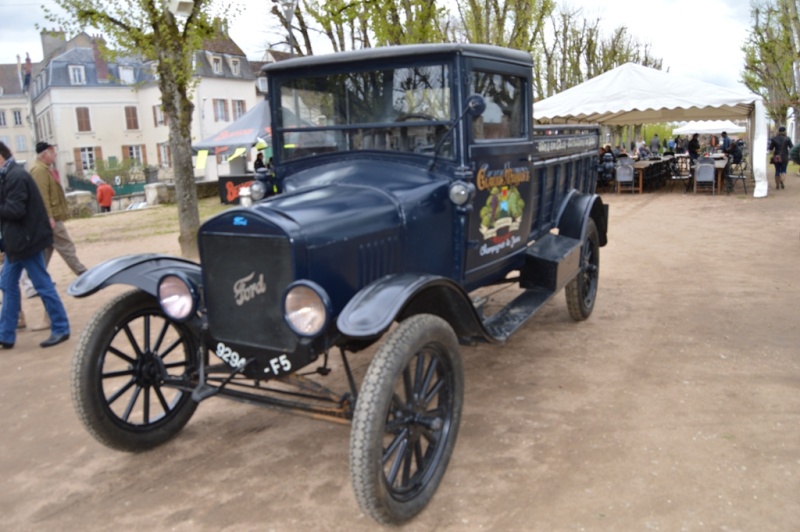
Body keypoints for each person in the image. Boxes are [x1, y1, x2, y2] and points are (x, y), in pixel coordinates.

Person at [0, 141, 70, 349]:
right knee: (8, 284)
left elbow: (15, 210)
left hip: (26, 242)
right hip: (19, 242)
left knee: (42, 284)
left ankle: (61, 327)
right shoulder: (10, 176)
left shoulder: (16, 176)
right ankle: (5, 334)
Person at [30, 142, 87, 275]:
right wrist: (49, 217)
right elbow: (42, 196)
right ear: (45, 154)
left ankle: (35, 279)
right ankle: (81, 272)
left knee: (46, 249)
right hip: (51, 217)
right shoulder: (39, 171)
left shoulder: (43, 168)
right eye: (53, 152)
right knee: (66, 245)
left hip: (50, 216)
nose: (55, 155)